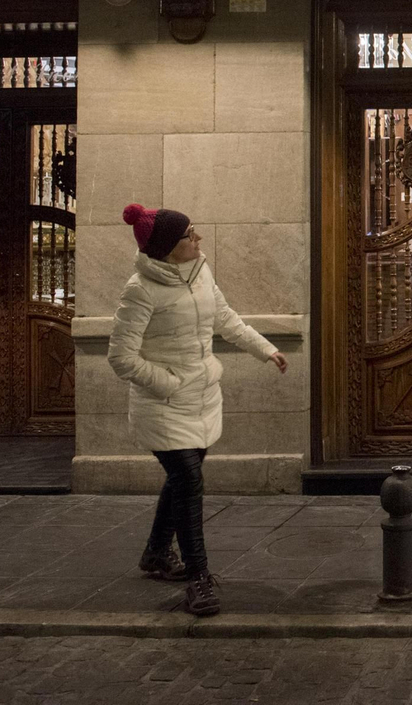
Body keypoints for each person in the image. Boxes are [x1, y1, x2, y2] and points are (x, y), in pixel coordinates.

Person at [107, 203, 288, 616]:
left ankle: (155, 553)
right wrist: (169, 382)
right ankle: (199, 578)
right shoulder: (140, 290)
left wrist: (267, 349)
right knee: (189, 481)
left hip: (203, 398)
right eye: (191, 234)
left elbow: (225, 318)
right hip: (164, 403)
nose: (199, 238)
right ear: (170, 247)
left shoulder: (200, 272)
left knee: (181, 480)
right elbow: (121, 358)